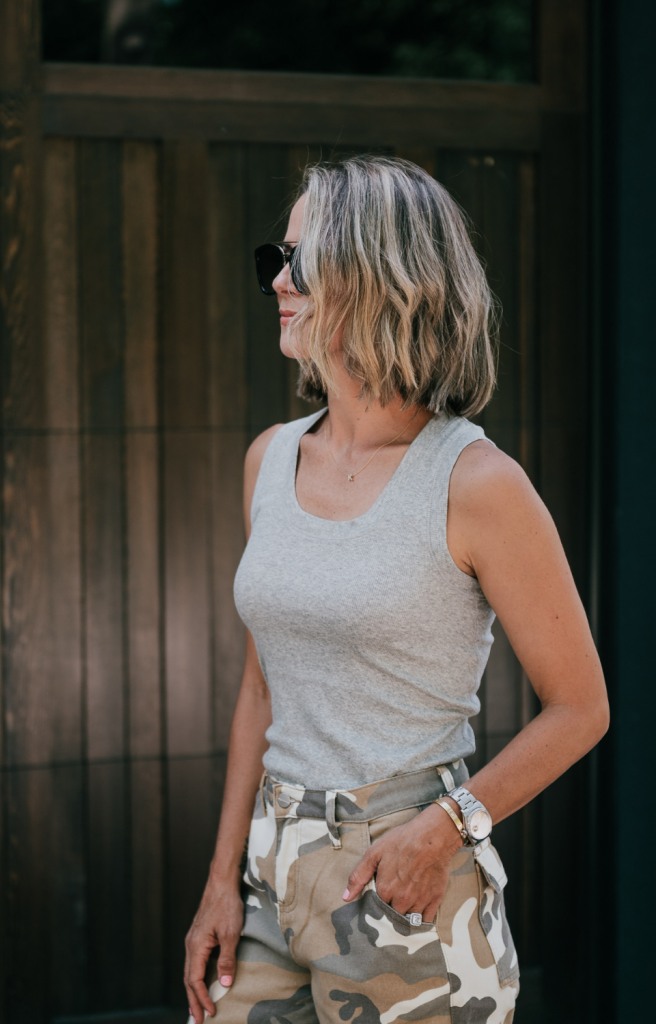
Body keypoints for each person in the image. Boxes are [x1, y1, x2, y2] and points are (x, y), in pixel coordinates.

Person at [184, 156, 608, 1024]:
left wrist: (445, 827)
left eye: (299, 260)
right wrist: (220, 881)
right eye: (277, 255)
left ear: (377, 276)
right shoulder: (269, 459)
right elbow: (262, 686)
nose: (277, 281)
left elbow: (580, 708)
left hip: (408, 880)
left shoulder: (476, 483)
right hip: (272, 876)